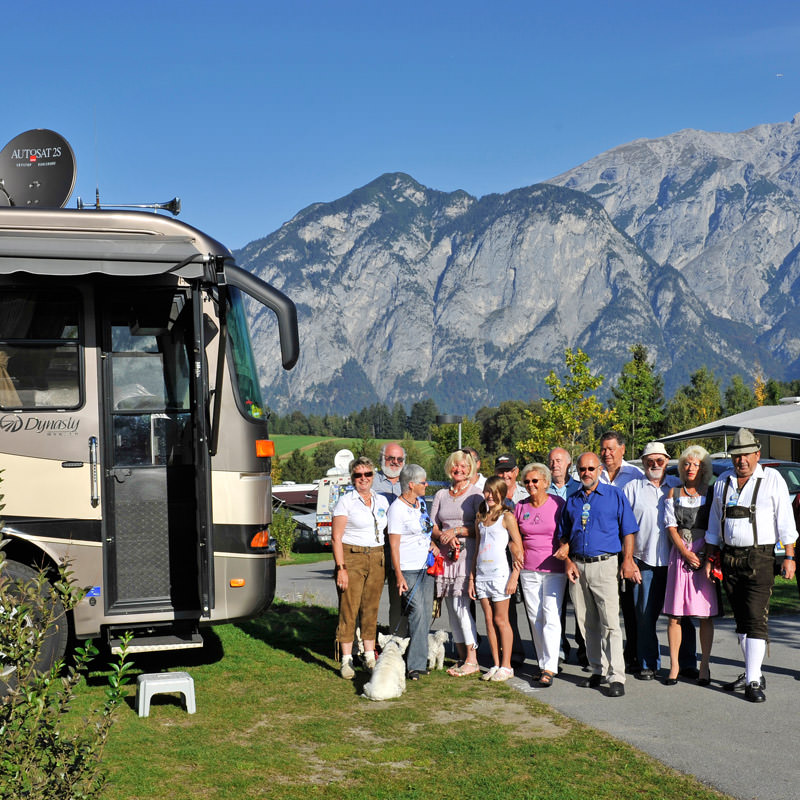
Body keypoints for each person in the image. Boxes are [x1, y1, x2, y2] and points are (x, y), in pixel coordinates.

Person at [705, 428, 797, 702]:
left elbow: (785, 520)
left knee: (756, 618)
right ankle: (751, 670)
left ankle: (754, 680)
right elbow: (713, 523)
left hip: (760, 557)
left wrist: (790, 557)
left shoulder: (772, 479)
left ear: (757, 454)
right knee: (743, 620)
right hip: (730, 557)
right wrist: (711, 558)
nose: (741, 460)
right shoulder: (723, 481)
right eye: (737, 455)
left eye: (746, 454)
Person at [558, 452, 639, 697]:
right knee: (586, 622)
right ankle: (598, 669)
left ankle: (616, 677)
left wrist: (627, 561)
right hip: (578, 566)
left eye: (591, 468)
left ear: (599, 469)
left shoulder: (614, 495)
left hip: (605, 565)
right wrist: (568, 562)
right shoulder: (572, 500)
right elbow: (564, 536)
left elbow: (628, 532)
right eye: (582, 469)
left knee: (610, 623)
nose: (586, 473)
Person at [623, 441, 695, 680]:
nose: (655, 465)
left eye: (659, 460)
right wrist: (628, 560)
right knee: (644, 616)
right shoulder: (632, 488)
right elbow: (624, 527)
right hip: (643, 560)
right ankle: (648, 663)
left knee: (681, 616)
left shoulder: (678, 486)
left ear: (667, 462)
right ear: (643, 463)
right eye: (649, 461)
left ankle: (686, 662)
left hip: (676, 562)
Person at [663, 445, 718, 686]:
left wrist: (706, 554)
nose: (691, 467)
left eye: (696, 464)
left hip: (705, 554)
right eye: (687, 463)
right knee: (675, 615)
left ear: (703, 468)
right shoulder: (674, 493)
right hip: (681, 556)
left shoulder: (712, 492)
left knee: (705, 615)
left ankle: (704, 666)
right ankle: (674, 666)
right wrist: (685, 552)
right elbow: (671, 527)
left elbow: (716, 526)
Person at [331, 456, 389, 679]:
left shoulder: (381, 500)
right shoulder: (346, 501)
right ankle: (346, 659)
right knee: (349, 608)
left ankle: (369, 655)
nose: (363, 479)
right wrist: (341, 568)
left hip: (377, 556)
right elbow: (337, 537)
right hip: (352, 555)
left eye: (367, 474)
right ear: (352, 478)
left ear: (373, 476)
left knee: (371, 608)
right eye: (358, 475)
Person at [431, 450, 484, 676]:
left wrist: (457, 531)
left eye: (464, 466)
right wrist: (443, 535)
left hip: (466, 556)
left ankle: (473, 659)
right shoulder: (441, 494)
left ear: (470, 468)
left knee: (462, 608)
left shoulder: (476, 494)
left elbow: (482, 527)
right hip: (445, 557)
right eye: (455, 466)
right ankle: (462, 657)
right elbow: (431, 524)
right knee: (452, 609)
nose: (459, 470)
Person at [598, 430, 645, 674]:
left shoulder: (634, 476)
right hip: (603, 547)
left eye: (611, 448)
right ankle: (600, 656)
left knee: (630, 605)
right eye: (603, 449)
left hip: (627, 549)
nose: (607, 453)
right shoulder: (595, 474)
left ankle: (633, 652)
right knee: (604, 604)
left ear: (622, 449)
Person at [516, 463, 567, 687]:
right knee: (535, 617)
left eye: (535, 481)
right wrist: (514, 548)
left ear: (546, 482)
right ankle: (542, 662)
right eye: (527, 481)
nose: (531, 485)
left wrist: (566, 550)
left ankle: (550, 667)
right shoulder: (520, 506)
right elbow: (514, 535)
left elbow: (567, 533)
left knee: (551, 616)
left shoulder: (558, 504)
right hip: (528, 569)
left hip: (554, 568)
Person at [469, 476, 522, 681]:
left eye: (493, 492)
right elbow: (477, 551)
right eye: (486, 491)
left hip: (500, 575)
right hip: (482, 575)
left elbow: (518, 549)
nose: (489, 496)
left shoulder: (507, 517)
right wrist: (472, 578)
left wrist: (514, 577)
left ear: (501, 493)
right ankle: (496, 663)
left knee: (501, 620)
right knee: (489, 621)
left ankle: (507, 665)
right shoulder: (480, 517)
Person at [388, 464, 436, 681]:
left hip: (426, 566)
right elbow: (394, 545)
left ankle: (420, 659)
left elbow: (426, 531)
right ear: (411, 484)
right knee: (416, 612)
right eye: (423, 482)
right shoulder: (397, 509)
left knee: (426, 613)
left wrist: (434, 542)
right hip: (408, 569)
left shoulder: (421, 504)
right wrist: (398, 574)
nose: (426, 485)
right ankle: (413, 664)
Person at [548, 447, 584, 666]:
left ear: (569, 464)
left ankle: (584, 649)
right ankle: (559, 648)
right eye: (551, 461)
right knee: (556, 606)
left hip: (576, 554)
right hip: (551, 555)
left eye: (559, 461)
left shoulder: (579, 489)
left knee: (580, 605)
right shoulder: (543, 487)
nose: (555, 465)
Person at [373, 442, 407, 634]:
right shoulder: (371, 481)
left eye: (399, 459)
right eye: (390, 458)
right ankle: (364, 646)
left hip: (401, 551)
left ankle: (397, 642)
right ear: (382, 458)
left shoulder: (408, 481)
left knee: (399, 599)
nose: (395, 462)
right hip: (376, 548)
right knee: (370, 598)